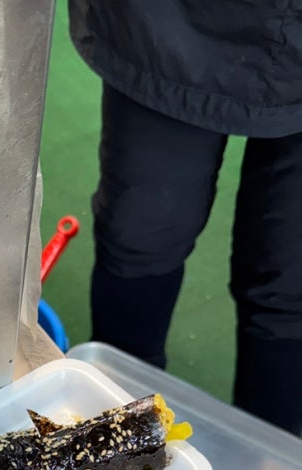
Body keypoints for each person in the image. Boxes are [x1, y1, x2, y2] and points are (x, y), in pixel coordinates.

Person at [68, 0, 302, 436]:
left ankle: (269, 454)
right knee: (140, 236)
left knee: (291, 283)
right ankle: (121, 430)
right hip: (164, 30)